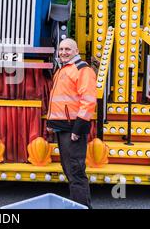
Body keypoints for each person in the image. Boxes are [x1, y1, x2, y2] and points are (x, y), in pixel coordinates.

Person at [46, 38, 96, 208]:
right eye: (61, 49)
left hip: (73, 129)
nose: (63, 52)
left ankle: (82, 207)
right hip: (64, 127)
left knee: (75, 171)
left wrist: (78, 129)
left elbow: (88, 101)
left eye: (68, 49)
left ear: (76, 51)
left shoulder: (82, 70)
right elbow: (61, 100)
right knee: (69, 170)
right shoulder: (63, 69)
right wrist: (52, 123)